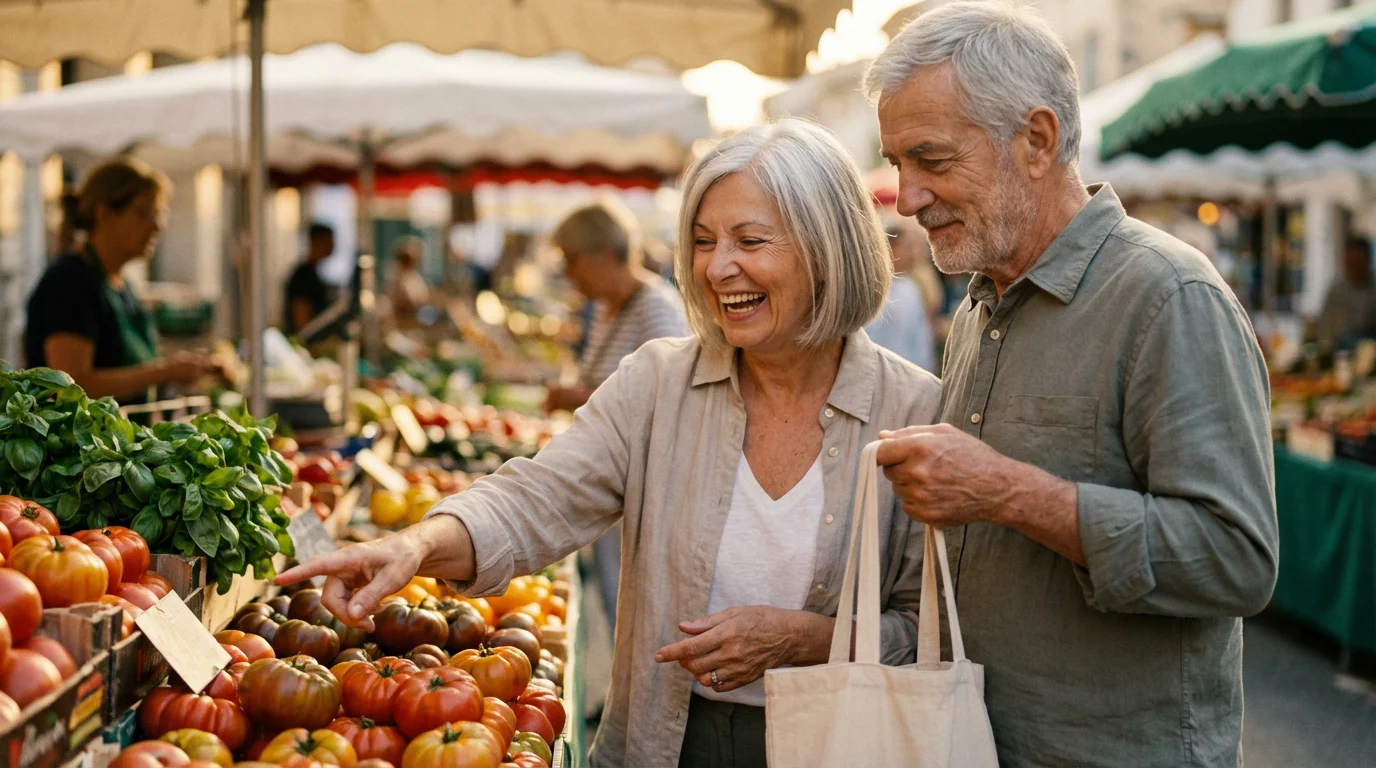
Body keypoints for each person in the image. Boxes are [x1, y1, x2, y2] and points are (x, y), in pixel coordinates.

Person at [278, 118, 942, 768]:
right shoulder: (657, 385)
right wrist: (415, 544)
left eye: (750, 240)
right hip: (666, 739)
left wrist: (806, 640)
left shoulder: (915, 409)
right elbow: (535, 499)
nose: (718, 267)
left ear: (828, 249)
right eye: (704, 241)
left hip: (845, 740)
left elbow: (930, 630)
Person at [866, 4, 1278, 766]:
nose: (908, 195)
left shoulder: (1169, 297)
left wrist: (1011, 494)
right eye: (898, 164)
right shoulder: (978, 306)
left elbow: (1238, 559)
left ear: (1037, 140)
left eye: (931, 159)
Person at [25, 158, 216, 402]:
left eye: (160, 214)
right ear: (104, 213)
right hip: (84, 440)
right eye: (144, 213)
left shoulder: (120, 285)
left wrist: (181, 367)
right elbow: (70, 384)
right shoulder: (69, 283)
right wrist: (161, 373)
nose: (158, 226)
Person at [543, 200, 688, 414]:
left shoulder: (656, 307)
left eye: (571, 260)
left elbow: (669, 398)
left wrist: (581, 399)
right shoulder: (605, 305)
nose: (568, 274)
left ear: (607, 254)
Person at [865, 217, 937, 371]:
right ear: (890, 248)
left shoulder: (910, 287)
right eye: (905, 247)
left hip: (911, 375)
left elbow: (920, 339)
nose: (911, 253)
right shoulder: (871, 288)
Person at [1315, 236, 1376, 350]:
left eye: (1358, 263)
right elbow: (1325, 329)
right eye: (1349, 264)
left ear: (1367, 261)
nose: (1353, 269)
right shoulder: (1336, 291)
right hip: (1342, 351)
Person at [284, 222, 335, 335]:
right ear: (315, 242)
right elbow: (301, 321)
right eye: (328, 242)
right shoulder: (303, 276)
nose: (333, 247)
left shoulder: (312, 273)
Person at [385, 236, 432, 328]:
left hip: (417, 320)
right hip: (403, 321)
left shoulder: (414, 275)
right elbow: (408, 299)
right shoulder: (397, 277)